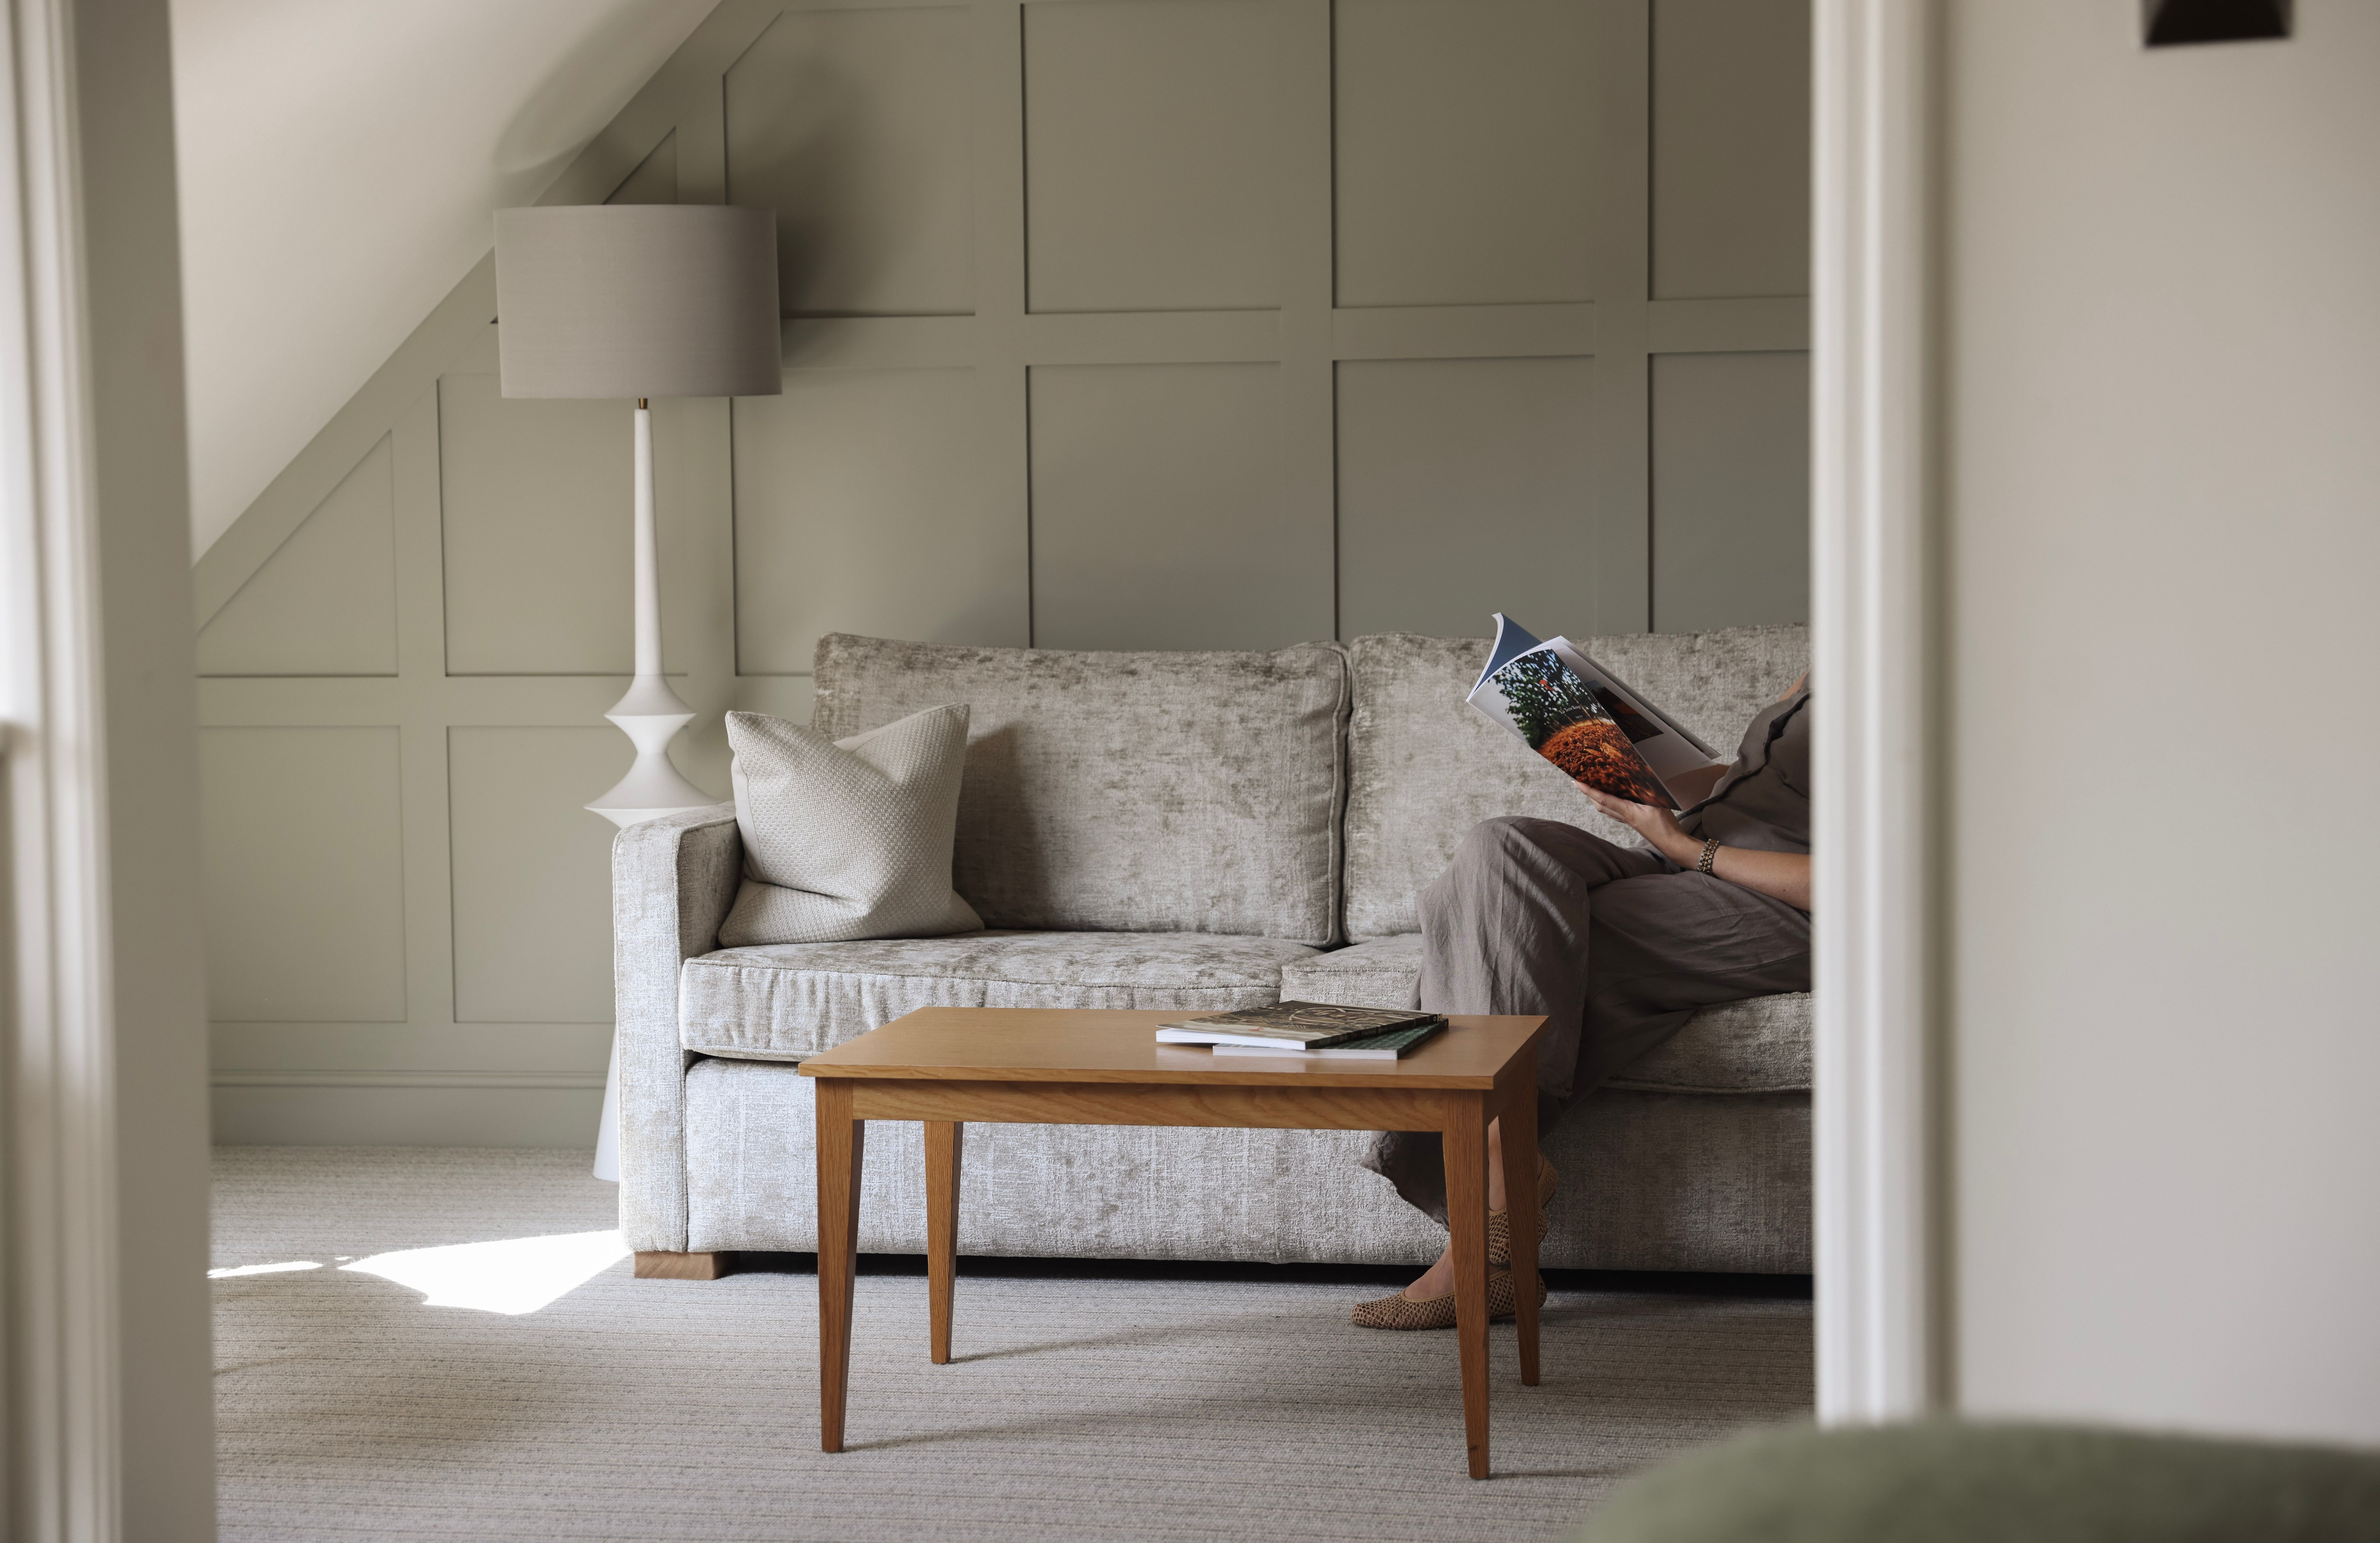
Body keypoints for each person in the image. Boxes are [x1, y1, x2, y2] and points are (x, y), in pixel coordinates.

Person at [1351, 673, 1813, 1329]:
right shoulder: (1831, 655)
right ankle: (1497, 1172)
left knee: (1514, 931)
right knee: (1500, 851)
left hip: (1783, 906)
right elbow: (1748, 789)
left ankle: (1488, 1199)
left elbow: (1878, 876)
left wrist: (1684, 845)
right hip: (1686, 865)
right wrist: (1637, 773)